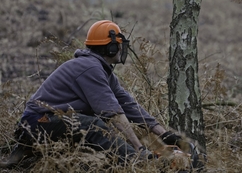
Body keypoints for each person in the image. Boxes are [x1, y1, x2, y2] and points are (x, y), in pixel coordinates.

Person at [0, 20, 182, 168]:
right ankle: (136, 163)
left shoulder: (101, 69)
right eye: (118, 45)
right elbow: (114, 113)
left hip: (48, 120)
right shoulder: (90, 68)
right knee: (95, 126)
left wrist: (164, 134)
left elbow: (128, 105)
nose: (121, 49)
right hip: (39, 121)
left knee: (91, 126)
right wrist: (140, 150)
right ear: (109, 48)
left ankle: (27, 150)